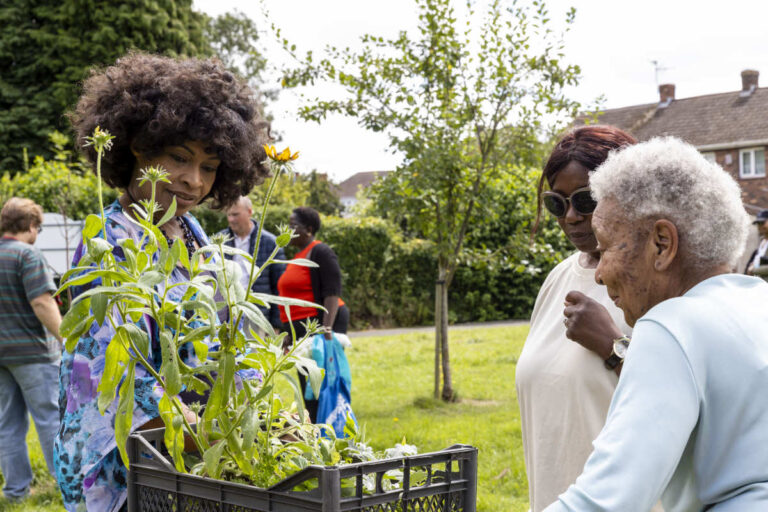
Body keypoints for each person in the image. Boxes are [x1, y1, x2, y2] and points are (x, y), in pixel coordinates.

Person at [54, 52, 268, 512]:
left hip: (185, 460)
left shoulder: (194, 236)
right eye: (179, 157)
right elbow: (112, 375)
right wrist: (199, 428)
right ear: (138, 146)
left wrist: (256, 405)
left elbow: (226, 340)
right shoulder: (108, 244)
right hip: (123, 466)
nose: (193, 181)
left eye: (209, 168)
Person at [544, 137, 768, 511]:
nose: (599, 274)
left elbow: (605, 502)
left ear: (662, 244)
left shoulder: (670, 327)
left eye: (608, 246)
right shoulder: (758, 299)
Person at [515, 125, 654, 512]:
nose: (571, 217)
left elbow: (683, 404)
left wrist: (613, 346)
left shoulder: (656, 283)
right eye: (558, 203)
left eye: (586, 199)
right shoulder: (558, 278)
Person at [0, 198, 62, 502]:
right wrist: (66, 337)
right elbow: (42, 302)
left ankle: (15, 493)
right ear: (30, 225)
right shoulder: (28, 254)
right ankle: (65, 485)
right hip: (34, 354)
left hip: (2, 356)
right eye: (37, 226)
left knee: (8, 423)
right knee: (50, 419)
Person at [278, 206, 348, 422]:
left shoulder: (320, 251)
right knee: (308, 386)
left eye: (293, 226)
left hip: (320, 328)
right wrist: (288, 332)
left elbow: (332, 291)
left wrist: (327, 330)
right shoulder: (299, 255)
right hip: (301, 330)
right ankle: (316, 429)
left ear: (308, 229)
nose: (288, 230)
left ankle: (328, 428)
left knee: (320, 386)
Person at [218, 196, 285, 332]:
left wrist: (276, 325)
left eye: (235, 214)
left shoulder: (271, 242)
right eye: (229, 215)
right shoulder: (220, 241)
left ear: (249, 212)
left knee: (253, 353)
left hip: (256, 315)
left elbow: (279, 286)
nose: (231, 219)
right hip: (226, 314)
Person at [744, 208, 768, 278]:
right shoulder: (762, 242)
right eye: (758, 223)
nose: (760, 226)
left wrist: (754, 270)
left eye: (762, 223)